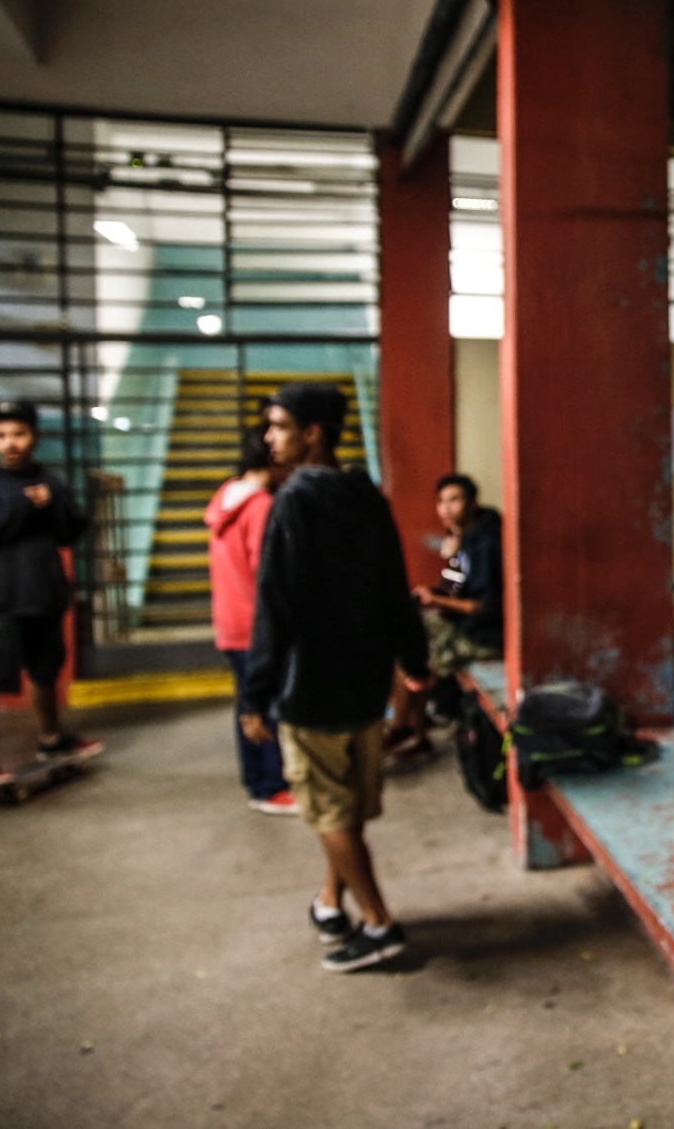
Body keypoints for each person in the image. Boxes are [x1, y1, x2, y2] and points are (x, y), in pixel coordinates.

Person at [240, 383, 428, 972]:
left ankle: (379, 924)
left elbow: (276, 604)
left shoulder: (293, 501)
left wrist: (256, 693)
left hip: (311, 689)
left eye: (278, 426)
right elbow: (395, 586)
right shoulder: (366, 495)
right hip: (366, 685)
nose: (269, 438)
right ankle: (330, 903)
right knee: (344, 807)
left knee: (327, 812)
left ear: (312, 433)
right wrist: (413, 659)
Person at [0, 400, 99, 789]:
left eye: (17, 433)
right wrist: (18, 507)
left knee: (44, 671)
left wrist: (52, 507)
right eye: (0, 436)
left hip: (44, 596)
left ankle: (51, 740)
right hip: (0, 601)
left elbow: (70, 531)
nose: (9, 443)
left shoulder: (49, 482)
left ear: (34, 436)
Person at [206, 424, 295, 815]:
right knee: (268, 706)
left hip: (230, 625)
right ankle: (272, 786)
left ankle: (257, 783)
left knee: (248, 705)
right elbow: (269, 573)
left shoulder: (226, 497)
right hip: (257, 626)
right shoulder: (259, 508)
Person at [386, 473, 502, 758]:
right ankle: (415, 727)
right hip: (463, 626)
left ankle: (404, 726)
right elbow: (454, 590)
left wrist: (435, 599)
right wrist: (435, 589)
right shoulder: (463, 539)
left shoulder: (485, 544)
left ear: (473, 503)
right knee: (409, 633)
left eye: (455, 500)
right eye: (441, 502)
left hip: (484, 636)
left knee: (409, 638)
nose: (446, 509)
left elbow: (484, 607)